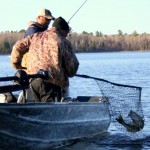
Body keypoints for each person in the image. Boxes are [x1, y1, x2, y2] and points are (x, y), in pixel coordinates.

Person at [10, 17, 79, 102]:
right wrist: (68, 72)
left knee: (39, 110)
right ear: (62, 30)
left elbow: (17, 47)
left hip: (33, 80)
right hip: (52, 82)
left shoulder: (35, 36)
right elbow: (72, 68)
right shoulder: (63, 42)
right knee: (49, 112)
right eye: (67, 32)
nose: (66, 35)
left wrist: (16, 64)